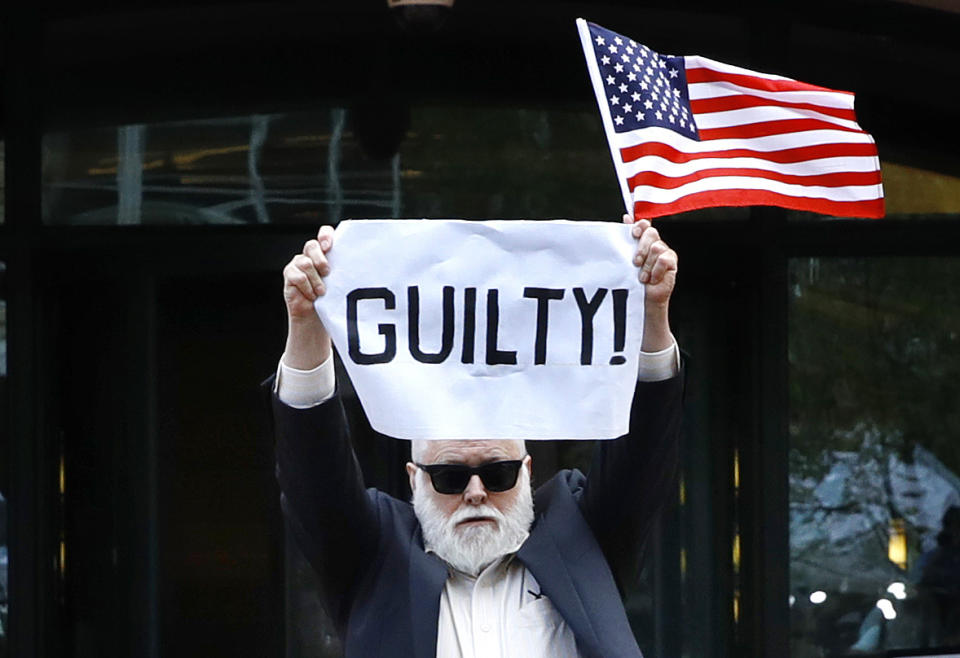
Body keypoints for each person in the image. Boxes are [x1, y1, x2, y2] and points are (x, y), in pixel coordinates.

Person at [271, 215, 683, 657]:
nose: (475, 493)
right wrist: (306, 322)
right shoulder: (375, 556)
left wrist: (652, 312)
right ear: (414, 479)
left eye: (498, 473)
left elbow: (643, 454)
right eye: (449, 476)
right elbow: (315, 475)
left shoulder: (581, 537)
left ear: (527, 472)